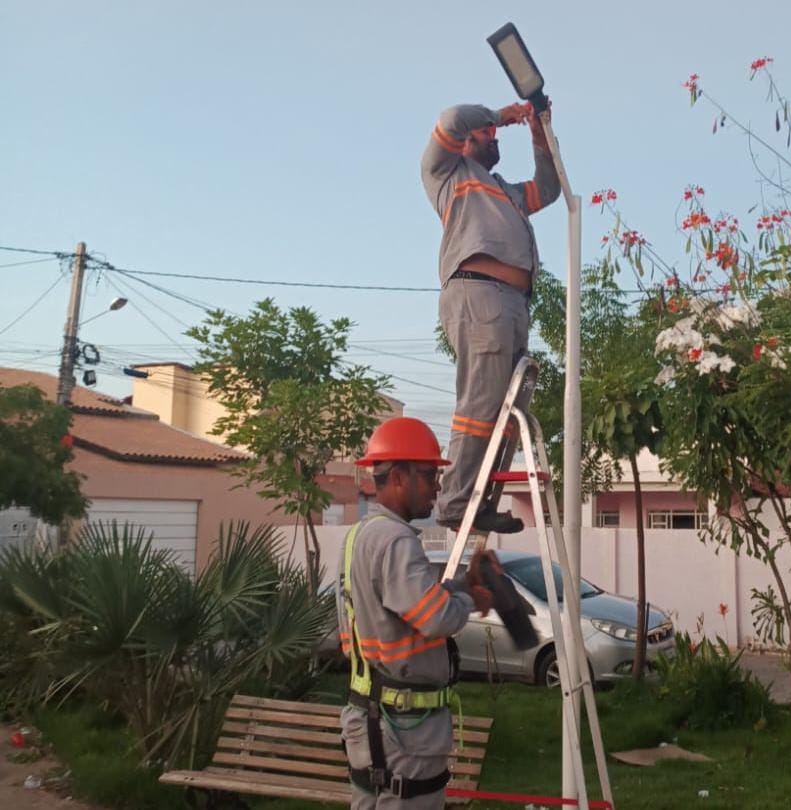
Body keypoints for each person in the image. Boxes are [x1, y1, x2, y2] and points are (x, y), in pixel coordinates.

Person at [338, 417, 499, 809]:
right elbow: (437, 618)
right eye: (429, 475)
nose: (438, 486)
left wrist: (461, 583)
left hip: (382, 722)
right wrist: (471, 602)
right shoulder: (394, 540)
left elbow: (413, 602)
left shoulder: (365, 533)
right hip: (400, 732)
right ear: (397, 476)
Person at [421, 98, 561, 534]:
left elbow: (550, 189)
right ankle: (456, 501)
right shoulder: (446, 173)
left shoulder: (506, 190)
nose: (493, 137)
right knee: (481, 403)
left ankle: (480, 500)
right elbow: (450, 119)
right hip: (479, 294)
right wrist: (505, 113)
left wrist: (540, 135)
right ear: (467, 141)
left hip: (513, 302)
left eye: (496, 133)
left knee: (507, 409)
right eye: (486, 133)